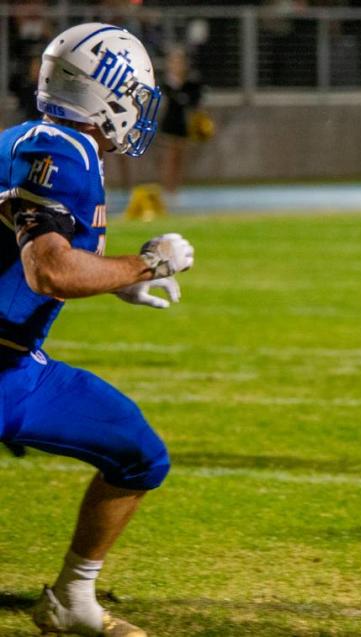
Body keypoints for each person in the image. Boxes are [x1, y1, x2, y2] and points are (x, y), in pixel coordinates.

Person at [0, 23, 194, 635]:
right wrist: (148, 263)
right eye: (134, 93)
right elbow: (50, 269)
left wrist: (116, 278)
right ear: (106, 93)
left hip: (16, 367)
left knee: (136, 453)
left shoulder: (49, 145)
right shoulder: (59, 153)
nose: (139, 108)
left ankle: (71, 602)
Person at [158, 46, 205, 202]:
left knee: (180, 158)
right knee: (169, 158)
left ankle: (175, 188)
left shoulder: (189, 81)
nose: (176, 65)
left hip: (183, 123)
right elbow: (176, 99)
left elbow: (194, 99)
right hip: (170, 122)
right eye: (173, 62)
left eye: (179, 62)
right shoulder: (168, 81)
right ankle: (167, 188)